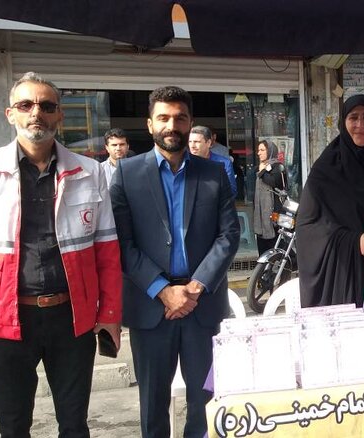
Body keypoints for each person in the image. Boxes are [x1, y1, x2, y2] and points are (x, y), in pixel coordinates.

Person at [0, 72, 122, 437]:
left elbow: (106, 250)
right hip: (5, 320)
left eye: (46, 106)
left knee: (74, 425)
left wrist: (109, 314)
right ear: (10, 114)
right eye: (26, 105)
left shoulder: (89, 171)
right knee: (13, 426)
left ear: (59, 115)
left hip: (72, 318)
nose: (36, 113)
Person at [110, 86, 241, 438]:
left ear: (190, 123)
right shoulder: (126, 174)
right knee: (153, 405)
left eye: (180, 118)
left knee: (206, 404)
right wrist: (163, 290)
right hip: (150, 307)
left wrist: (195, 287)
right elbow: (121, 243)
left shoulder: (213, 173)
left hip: (203, 306)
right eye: (163, 118)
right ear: (150, 124)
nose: (172, 125)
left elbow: (229, 235)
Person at [296, 94, 364, 307]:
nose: (360, 125)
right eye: (353, 117)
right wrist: (355, 242)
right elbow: (308, 228)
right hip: (345, 277)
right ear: (343, 122)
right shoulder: (326, 169)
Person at [253, 140, 286, 254]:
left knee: (278, 247)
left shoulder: (278, 167)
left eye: (262, 150)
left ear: (270, 151)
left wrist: (262, 171)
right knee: (263, 249)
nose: (259, 153)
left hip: (275, 215)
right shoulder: (260, 167)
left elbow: (274, 182)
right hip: (261, 216)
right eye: (258, 150)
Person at [189, 125, 238, 197]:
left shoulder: (224, 163)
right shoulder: (184, 163)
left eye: (197, 142)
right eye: (190, 142)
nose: (192, 146)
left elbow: (231, 191)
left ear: (208, 143)